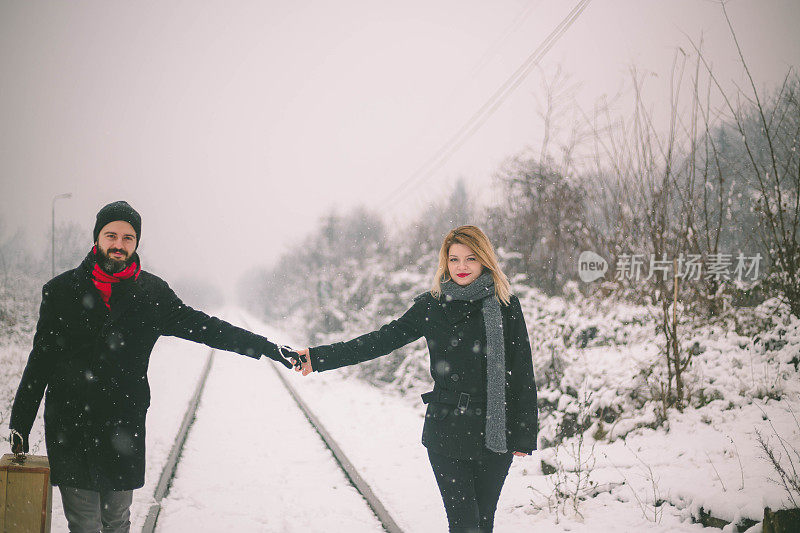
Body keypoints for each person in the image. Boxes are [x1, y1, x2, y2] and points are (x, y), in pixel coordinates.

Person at [8, 201, 297, 533]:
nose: (119, 244)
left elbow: (207, 327)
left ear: (136, 242)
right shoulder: (61, 291)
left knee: (117, 520)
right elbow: (40, 362)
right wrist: (20, 424)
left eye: (128, 238)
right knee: (83, 523)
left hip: (122, 423)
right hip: (71, 425)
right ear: (97, 238)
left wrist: (268, 348)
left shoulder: (152, 294)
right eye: (111, 235)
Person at [294, 225, 538, 533]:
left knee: (484, 523)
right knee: (465, 525)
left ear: (485, 261)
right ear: (445, 262)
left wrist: (524, 433)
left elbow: (522, 373)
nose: (461, 267)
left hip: (495, 434)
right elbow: (379, 341)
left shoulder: (505, 306)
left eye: (471, 259)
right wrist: (317, 358)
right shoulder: (432, 305)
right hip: (448, 431)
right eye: (454, 259)